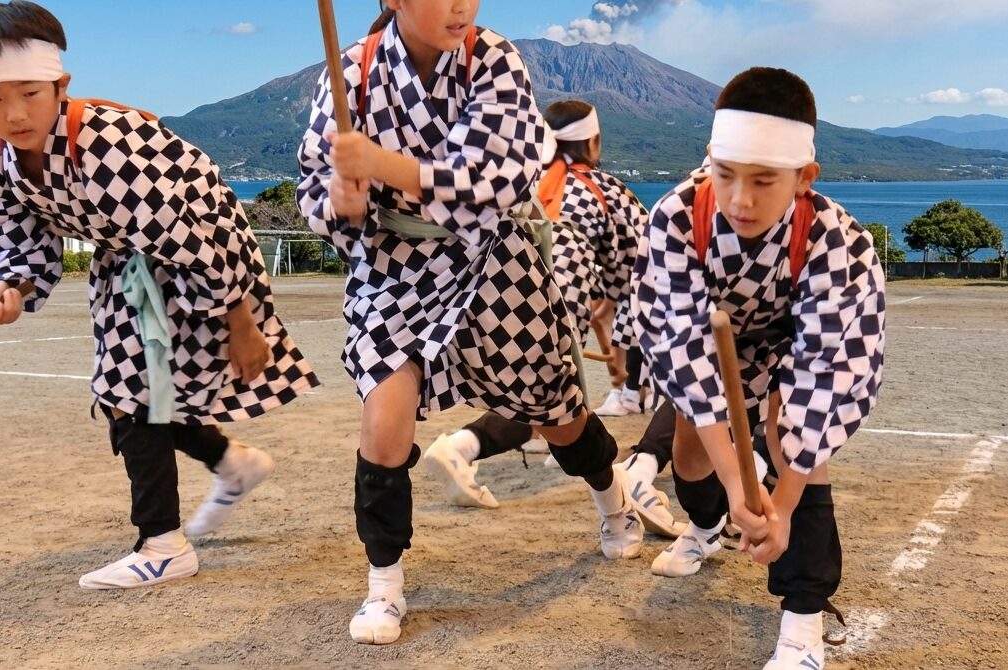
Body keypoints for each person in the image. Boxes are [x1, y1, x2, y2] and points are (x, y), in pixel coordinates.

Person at [297, 0, 638, 646]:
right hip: (391, 265)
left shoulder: (495, 59)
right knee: (384, 416)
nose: (461, 6)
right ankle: (383, 585)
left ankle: (611, 497)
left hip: (490, 258)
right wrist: (339, 201)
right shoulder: (350, 74)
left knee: (557, 415)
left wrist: (379, 166)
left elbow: (494, 174)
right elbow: (316, 182)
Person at [0, 0, 318, 590]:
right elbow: (13, 240)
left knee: (131, 394)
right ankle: (231, 464)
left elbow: (189, 240)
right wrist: (10, 284)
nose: (14, 114)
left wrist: (241, 318)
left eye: (29, 94)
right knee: (136, 394)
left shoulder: (108, 145)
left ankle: (163, 544)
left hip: (207, 251)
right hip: (128, 262)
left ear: (60, 85)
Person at [633, 67, 885, 669]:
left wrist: (783, 505)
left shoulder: (837, 241)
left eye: (764, 181)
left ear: (805, 179)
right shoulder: (675, 219)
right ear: (710, 160)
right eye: (725, 175)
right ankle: (705, 527)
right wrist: (737, 488)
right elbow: (686, 359)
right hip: (714, 354)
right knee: (694, 458)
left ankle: (802, 623)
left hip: (796, 349)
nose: (740, 199)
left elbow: (825, 378)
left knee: (799, 451)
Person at [420, 99, 653, 511]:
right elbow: (640, 264)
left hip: (502, 274)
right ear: (593, 143)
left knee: (521, 381)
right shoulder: (606, 188)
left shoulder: (522, 175)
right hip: (565, 271)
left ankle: (498, 443)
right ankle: (463, 445)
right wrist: (619, 334)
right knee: (547, 391)